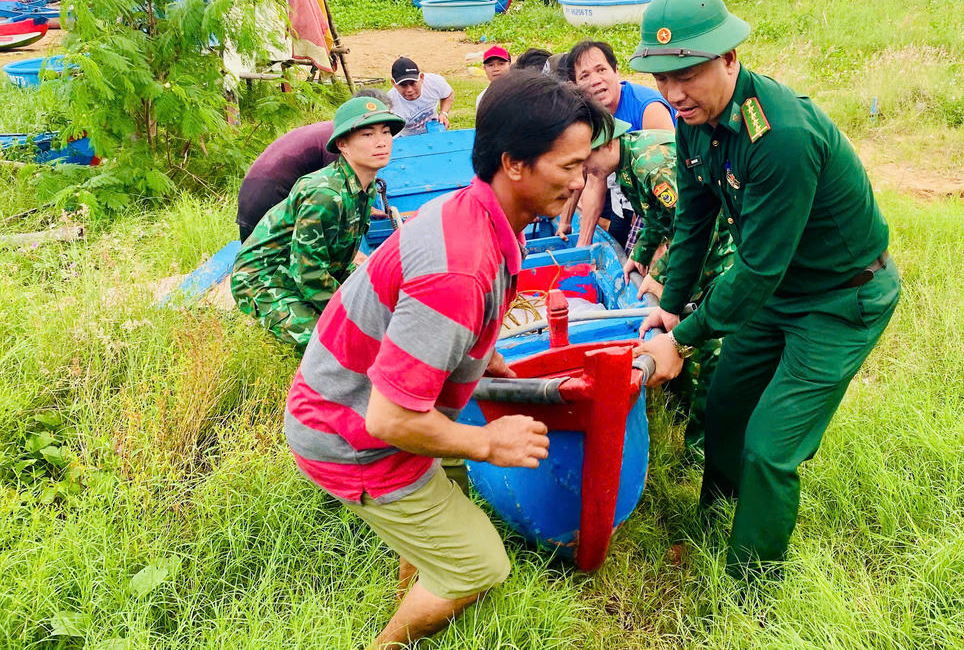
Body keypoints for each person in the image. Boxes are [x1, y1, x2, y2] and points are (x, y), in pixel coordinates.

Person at [284, 71, 610, 648]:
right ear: (514, 164)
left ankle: (423, 571)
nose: (581, 181)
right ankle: (391, 643)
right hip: (349, 433)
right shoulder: (459, 270)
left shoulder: (478, 213)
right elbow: (387, 419)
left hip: (363, 402)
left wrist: (484, 357)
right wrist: (488, 443)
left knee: (450, 482)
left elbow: (436, 328)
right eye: (568, 166)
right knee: (481, 565)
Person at [633, 0, 901, 578]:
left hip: (840, 298)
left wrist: (680, 342)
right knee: (725, 404)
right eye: (661, 79)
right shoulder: (694, 119)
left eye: (689, 73)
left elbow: (755, 268)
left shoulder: (779, 136)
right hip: (778, 292)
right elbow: (694, 216)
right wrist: (672, 308)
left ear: (730, 58)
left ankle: (750, 587)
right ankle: (717, 520)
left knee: (770, 448)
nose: (675, 93)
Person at [584, 119, 734, 447]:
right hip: (696, 255)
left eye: (587, 158)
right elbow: (656, 216)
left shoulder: (652, 165)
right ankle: (680, 410)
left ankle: (701, 446)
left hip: (720, 253)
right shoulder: (626, 163)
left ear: (607, 144)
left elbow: (696, 228)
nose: (585, 168)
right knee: (680, 328)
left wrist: (661, 272)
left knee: (710, 346)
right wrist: (640, 254)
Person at [231, 96, 404, 349]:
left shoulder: (364, 189)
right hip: (264, 278)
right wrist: (354, 319)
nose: (381, 142)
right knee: (332, 344)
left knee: (384, 298)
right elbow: (308, 274)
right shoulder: (325, 194)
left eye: (386, 132)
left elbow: (339, 254)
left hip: (307, 268)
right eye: (367, 135)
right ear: (343, 145)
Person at [235, 88, 391, 241]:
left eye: (385, 129)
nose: (381, 139)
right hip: (268, 200)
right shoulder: (342, 143)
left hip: (256, 191)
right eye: (370, 132)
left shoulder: (339, 132)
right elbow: (337, 202)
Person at [566, 40, 675, 246]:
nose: (596, 80)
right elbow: (594, 180)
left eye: (601, 70)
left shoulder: (648, 109)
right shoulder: (588, 116)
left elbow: (672, 181)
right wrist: (580, 245)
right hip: (626, 193)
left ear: (616, 71)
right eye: (585, 76)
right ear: (574, 86)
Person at [388, 56, 454, 135]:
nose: (409, 90)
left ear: (422, 77)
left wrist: (444, 114)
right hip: (406, 138)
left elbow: (448, 94)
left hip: (433, 129)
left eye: (413, 83)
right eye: (403, 85)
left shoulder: (434, 82)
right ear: (393, 83)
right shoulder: (389, 104)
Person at [475, 45, 511, 109]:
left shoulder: (522, 92)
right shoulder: (482, 98)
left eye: (501, 64)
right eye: (490, 65)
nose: (496, 69)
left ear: (510, 65)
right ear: (484, 68)